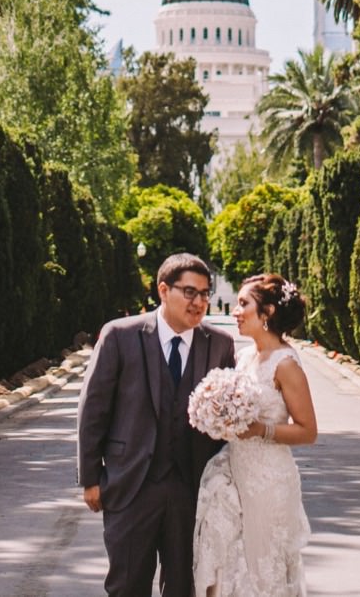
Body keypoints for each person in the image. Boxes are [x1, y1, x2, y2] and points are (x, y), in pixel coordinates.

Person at [78, 253, 239, 597]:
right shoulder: (120, 335)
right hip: (131, 483)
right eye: (190, 292)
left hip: (192, 488)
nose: (199, 302)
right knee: (127, 585)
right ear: (163, 290)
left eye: (205, 294)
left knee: (184, 587)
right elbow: (94, 410)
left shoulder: (220, 345)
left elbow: (226, 420)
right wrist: (90, 478)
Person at [192, 273, 316, 597]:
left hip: (268, 480)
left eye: (244, 303)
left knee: (262, 567)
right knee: (225, 557)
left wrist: (262, 430)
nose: (236, 310)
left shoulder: (285, 364)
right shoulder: (245, 357)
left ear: (268, 312)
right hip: (233, 471)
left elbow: (308, 430)